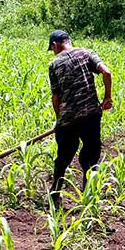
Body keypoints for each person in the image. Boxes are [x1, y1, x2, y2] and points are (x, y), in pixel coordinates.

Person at [46, 30, 114, 208]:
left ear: (55, 45)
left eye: (52, 48)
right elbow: (106, 73)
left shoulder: (54, 64)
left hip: (68, 118)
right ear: (68, 41)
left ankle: (55, 195)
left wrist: (59, 120)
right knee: (90, 159)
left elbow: (56, 98)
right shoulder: (87, 53)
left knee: (63, 158)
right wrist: (107, 98)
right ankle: (88, 199)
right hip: (91, 115)